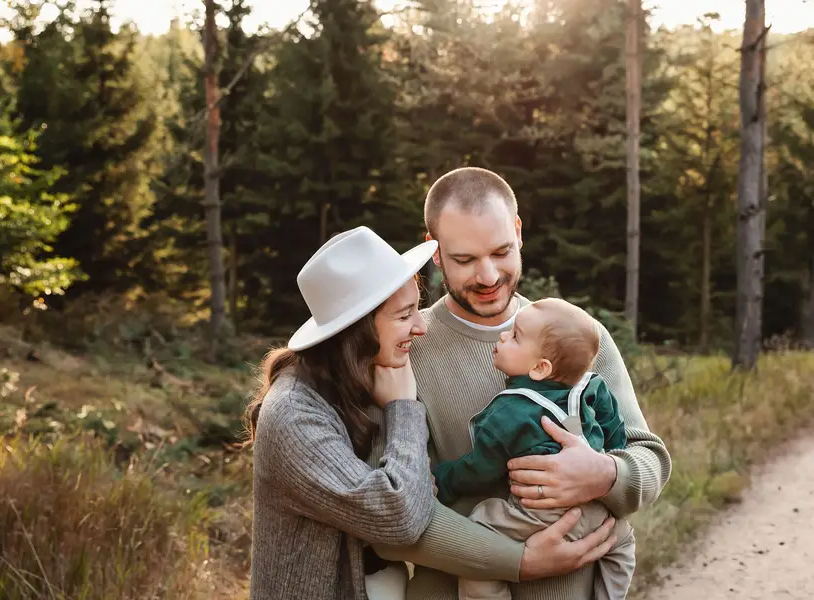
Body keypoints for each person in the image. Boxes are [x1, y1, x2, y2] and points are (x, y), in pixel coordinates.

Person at [371, 167, 672, 600]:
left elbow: (651, 459)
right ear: (433, 252)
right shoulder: (405, 350)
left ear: (518, 231)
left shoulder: (577, 336)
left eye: (500, 251)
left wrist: (605, 474)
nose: (489, 276)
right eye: (465, 260)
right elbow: (388, 519)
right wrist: (517, 562)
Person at [244, 226, 439, 600]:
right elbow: (401, 517)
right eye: (404, 316)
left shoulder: (354, 384)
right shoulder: (294, 417)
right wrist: (404, 410)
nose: (421, 326)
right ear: (358, 331)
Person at [432, 297, 635, 600]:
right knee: (622, 541)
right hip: (597, 509)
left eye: (514, 336)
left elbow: (479, 469)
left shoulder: (509, 413)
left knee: (480, 533)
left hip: (543, 514)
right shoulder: (589, 386)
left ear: (540, 368)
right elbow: (615, 426)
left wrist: (443, 480)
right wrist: (608, 459)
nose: (502, 336)